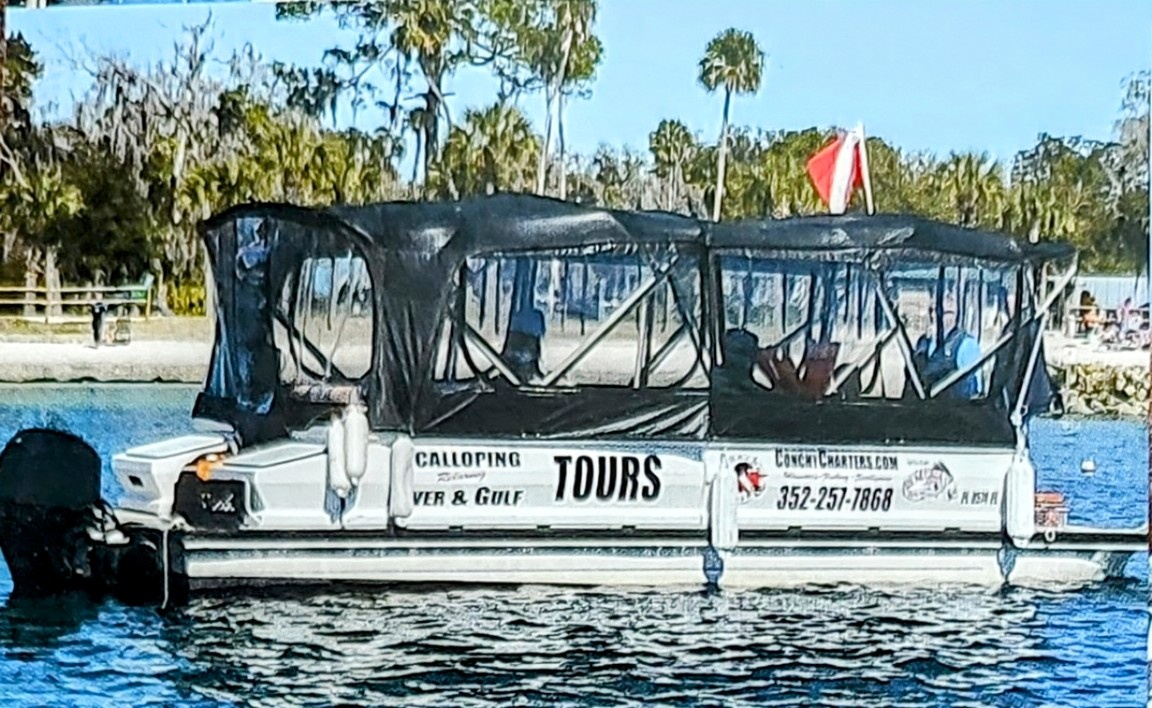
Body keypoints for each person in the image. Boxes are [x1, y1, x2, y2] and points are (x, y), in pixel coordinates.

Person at [914, 298, 982, 399]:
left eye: (948, 312)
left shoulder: (966, 344)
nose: (935, 316)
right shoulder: (923, 344)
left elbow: (975, 393)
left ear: (955, 315)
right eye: (932, 310)